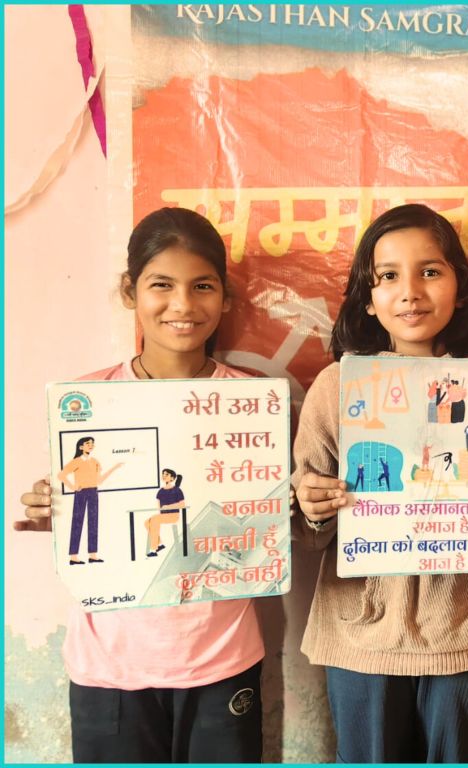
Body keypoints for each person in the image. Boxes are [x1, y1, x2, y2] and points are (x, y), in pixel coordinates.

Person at [16, 207, 264, 763]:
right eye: (161, 285)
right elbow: (77, 500)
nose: (182, 305)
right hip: (111, 663)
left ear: (224, 298)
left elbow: (269, 519)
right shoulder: (86, 401)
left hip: (223, 656)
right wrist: (48, 506)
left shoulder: (256, 403)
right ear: (131, 292)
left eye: (202, 287)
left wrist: (291, 505)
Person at [292, 203, 468, 763]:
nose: (410, 292)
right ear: (368, 297)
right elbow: (307, 526)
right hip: (363, 637)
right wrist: (312, 505)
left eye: (430, 271)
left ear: (460, 287)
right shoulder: (336, 387)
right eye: (389, 276)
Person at [58, 436, 124, 564]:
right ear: (81, 447)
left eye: (92, 443)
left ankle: (93, 555)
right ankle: (73, 556)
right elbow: (61, 475)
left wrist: (114, 468)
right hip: (80, 493)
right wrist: (72, 487)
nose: (91, 445)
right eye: (88, 443)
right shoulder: (76, 461)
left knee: (93, 522)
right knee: (77, 522)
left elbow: (99, 480)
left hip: (93, 492)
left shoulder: (95, 461)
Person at [144, 468, 186, 557]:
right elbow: (159, 508)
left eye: (166, 474)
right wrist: (160, 514)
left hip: (174, 516)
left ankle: (153, 550)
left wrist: (168, 507)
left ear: (172, 478)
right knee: (147, 522)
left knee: (154, 520)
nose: (163, 476)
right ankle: (160, 544)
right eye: (163, 474)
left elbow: (182, 504)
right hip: (163, 516)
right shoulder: (160, 491)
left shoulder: (177, 490)